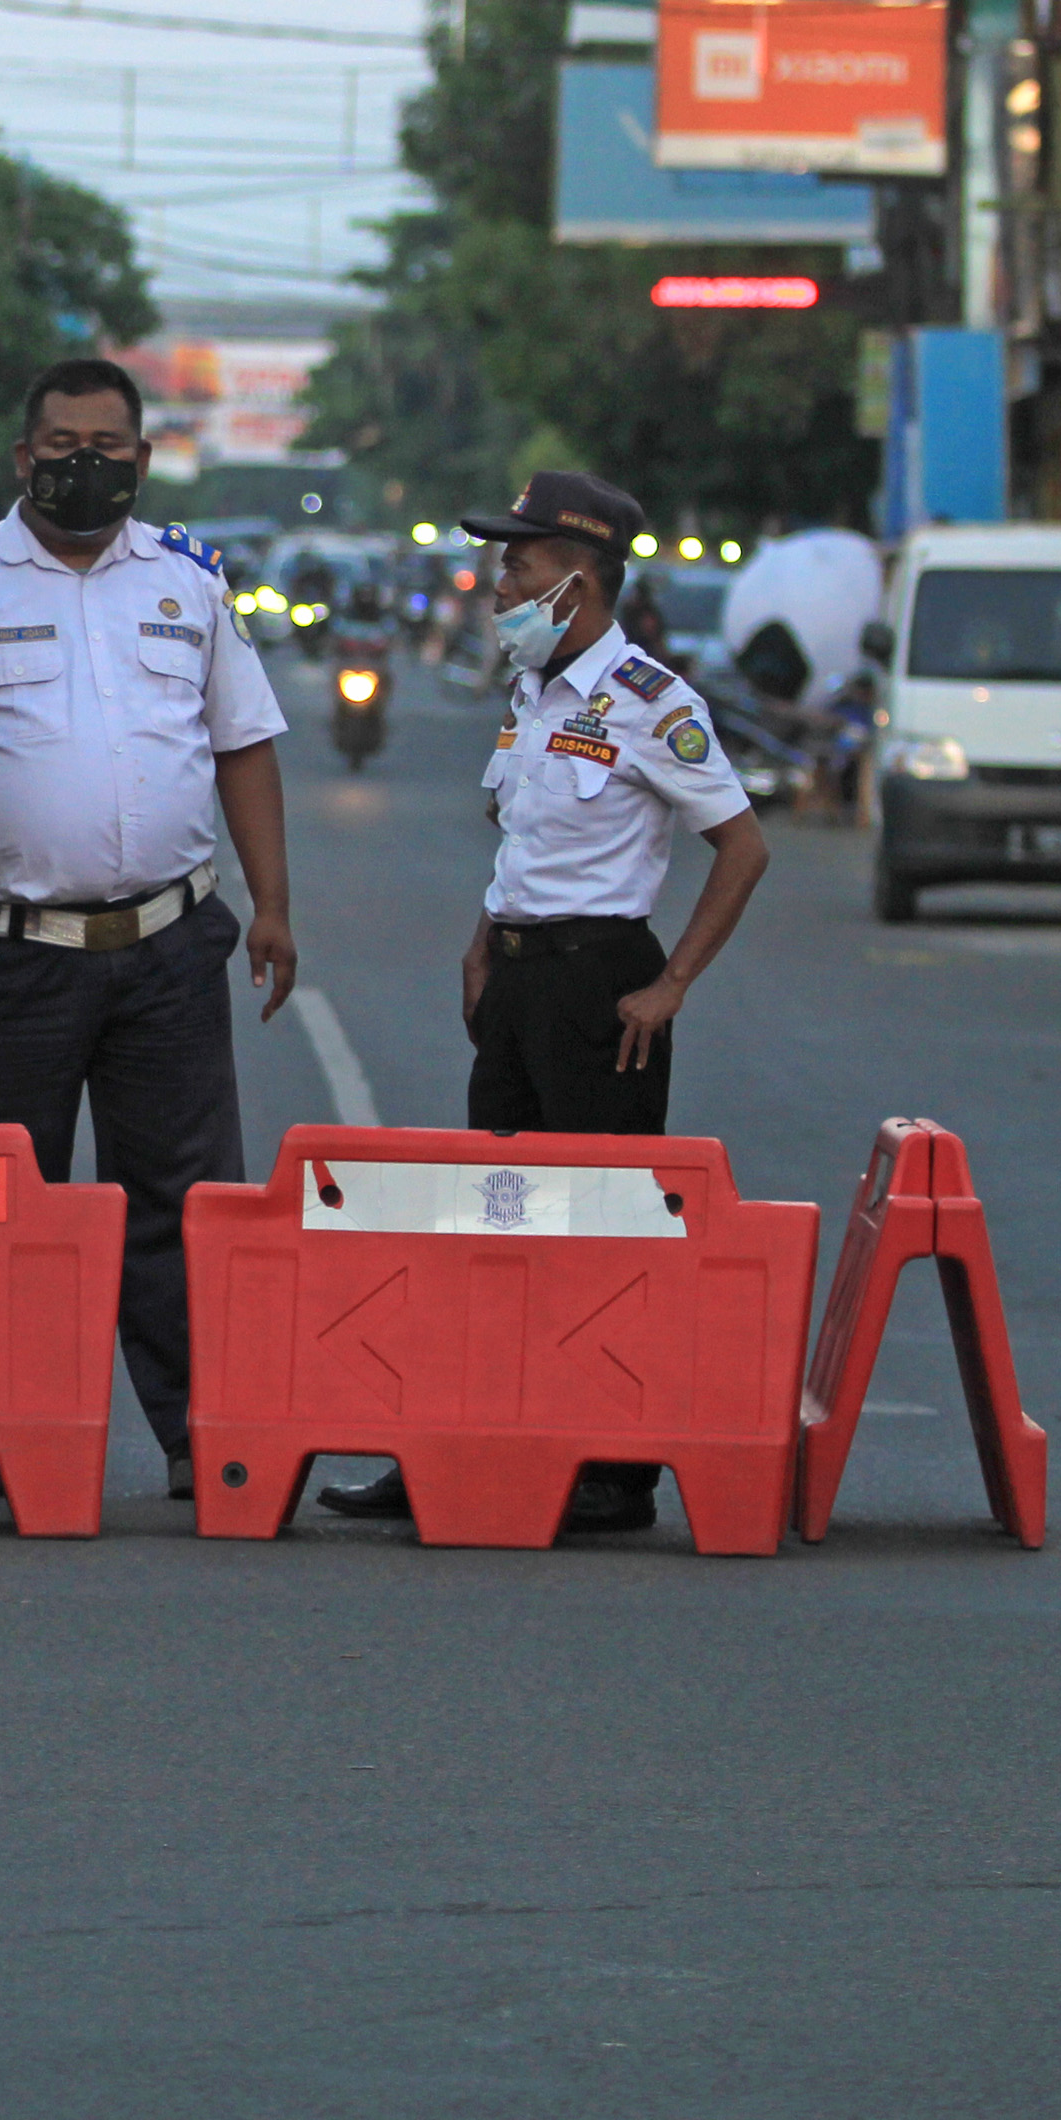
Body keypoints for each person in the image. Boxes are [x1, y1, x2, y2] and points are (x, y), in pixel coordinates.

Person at [320, 470, 771, 1537]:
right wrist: (484, 941)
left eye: (516, 566)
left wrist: (668, 987)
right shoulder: (532, 694)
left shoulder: (653, 702)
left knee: (603, 1239)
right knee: (499, 1225)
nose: (499, 584)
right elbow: (523, 843)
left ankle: (613, 1473)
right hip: (519, 980)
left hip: (598, 986)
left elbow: (743, 849)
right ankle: (465, 1446)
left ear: (576, 578)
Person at [0, 357, 296, 1504]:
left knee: (184, 1201)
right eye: (62, 445)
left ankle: (198, 1435)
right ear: (24, 457)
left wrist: (272, 905)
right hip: (5, 954)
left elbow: (242, 745)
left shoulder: (189, 582)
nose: (85, 463)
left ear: (143, 458)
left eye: (108, 446)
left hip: (169, 948)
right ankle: (2, 1434)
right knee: (5, 1202)